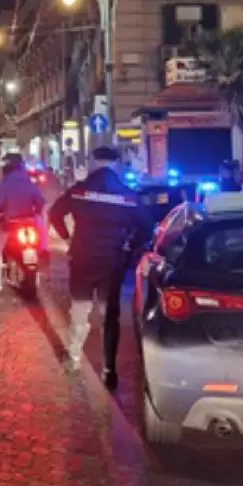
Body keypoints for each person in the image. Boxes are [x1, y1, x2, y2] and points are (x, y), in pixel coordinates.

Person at [48, 146, 154, 390]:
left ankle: (73, 357)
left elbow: (55, 213)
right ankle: (109, 370)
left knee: (79, 309)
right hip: (113, 261)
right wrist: (130, 247)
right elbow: (148, 227)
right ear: (116, 164)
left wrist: (66, 237)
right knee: (110, 317)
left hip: (83, 257)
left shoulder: (79, 191)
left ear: (94, 162)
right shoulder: (128, 196)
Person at [0, 153, 45, 298]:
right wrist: (35, 212)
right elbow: (40, 202)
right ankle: (34, 279)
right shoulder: (28, 181)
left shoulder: (6, 182)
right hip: (30, 222)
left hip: (11, 223)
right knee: (35, 248)